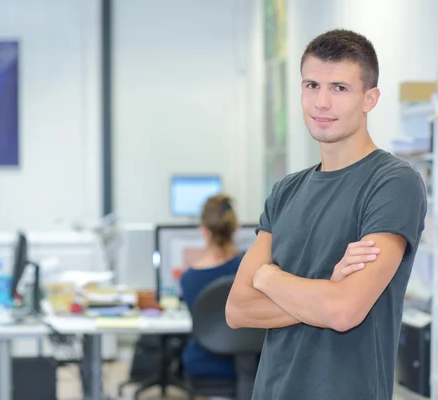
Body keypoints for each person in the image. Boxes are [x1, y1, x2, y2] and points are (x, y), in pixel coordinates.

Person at [225, 29, 427, 400]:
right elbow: (238, 309)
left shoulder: (394, 183)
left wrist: (269, 278)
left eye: (339, 88)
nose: (321, 102)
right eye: (311, 85)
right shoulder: (286, 191)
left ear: (370, 98)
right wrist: (327, 291)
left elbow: (343, 312)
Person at [180, 194, 243, 381]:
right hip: (247, 362)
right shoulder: (251, 270)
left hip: (204, 363)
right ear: (235, 229)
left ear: (204, 231)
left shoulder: (188, 278)